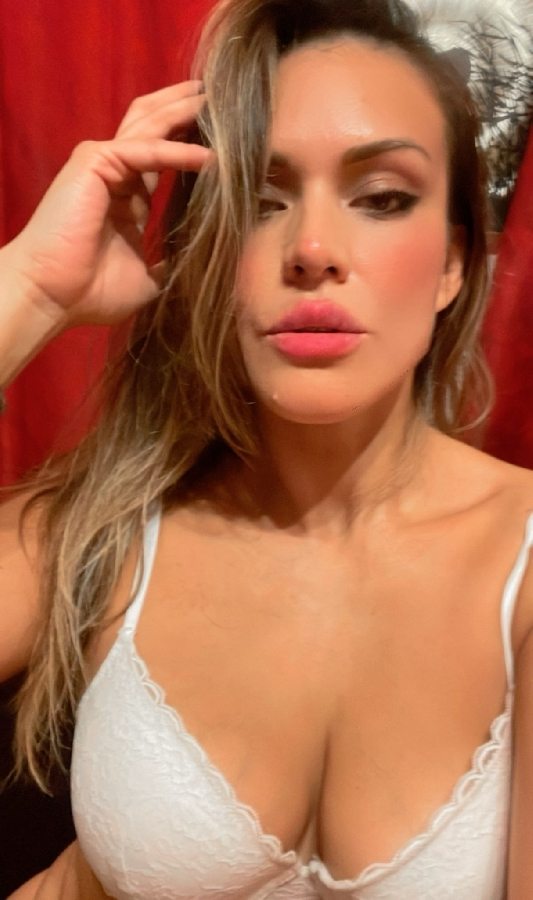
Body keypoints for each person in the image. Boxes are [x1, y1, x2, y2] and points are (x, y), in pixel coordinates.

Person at [1, 0, 532, 896]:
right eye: (259, 200)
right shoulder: (101, 529)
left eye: (381, 198)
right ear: (208, 256)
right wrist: (28, 291)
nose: (312, 249)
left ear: (451, 265)